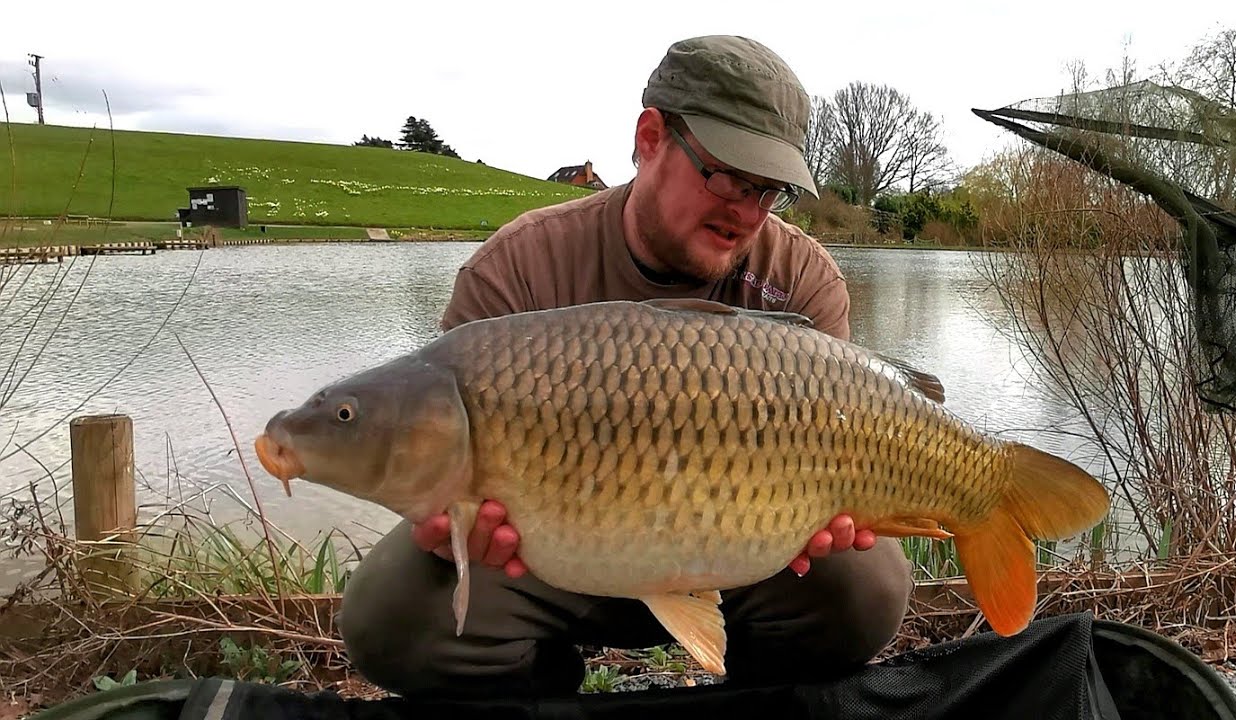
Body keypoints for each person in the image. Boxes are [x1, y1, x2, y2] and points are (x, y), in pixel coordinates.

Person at [338, 34, 915, 699]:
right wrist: (450, 529)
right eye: (729, 176)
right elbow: (444, 468)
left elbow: (842, 449)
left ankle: (754, 698)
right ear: (650, 137)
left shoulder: (801, 277)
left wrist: (835, 509)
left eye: (770, 191)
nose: (748, 213)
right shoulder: (519, 267)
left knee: (867, 586)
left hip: (744, 550)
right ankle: (540, 696)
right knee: (390, 614)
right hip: (547, 561)